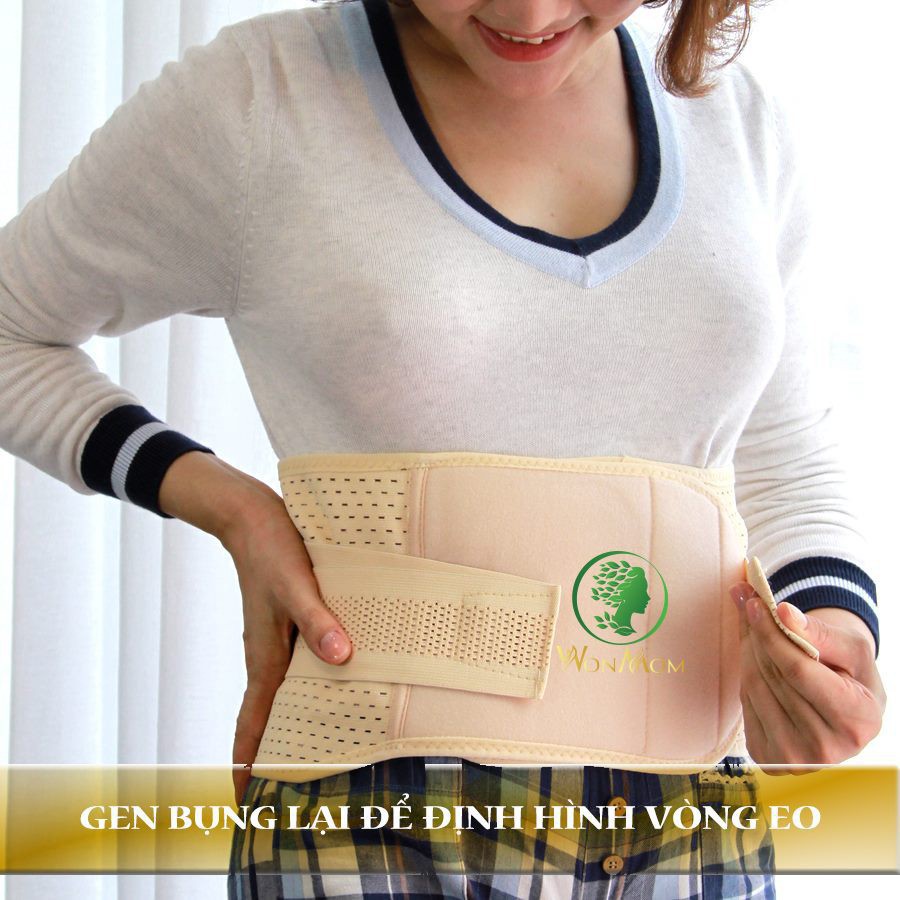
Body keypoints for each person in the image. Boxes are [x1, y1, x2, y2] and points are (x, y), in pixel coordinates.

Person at [0, 0, 887, 897]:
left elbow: (784, 449)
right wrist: (232, 508)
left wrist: (834, 633)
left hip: (695, 830)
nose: (530, 12)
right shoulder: (262, 98)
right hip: (378, 826)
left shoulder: (736, 120)